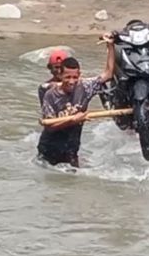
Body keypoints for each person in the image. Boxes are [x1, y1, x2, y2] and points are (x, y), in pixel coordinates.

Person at [37, 35, 115, 167]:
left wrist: (111, 46)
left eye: (75, 77)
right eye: (67, 77)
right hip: (50, 148)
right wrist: (73, 120)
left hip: (72, 149)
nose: (72, 81)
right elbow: (49, 126)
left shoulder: (85, 86)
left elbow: (108, 74)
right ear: (60, 75)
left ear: (80, 75)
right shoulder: (50, 94)